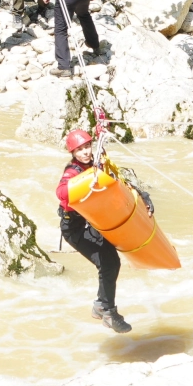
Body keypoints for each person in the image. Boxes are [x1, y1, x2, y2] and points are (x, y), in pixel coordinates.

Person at [56, 129, 131, 333]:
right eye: (79, 150)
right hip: (74, 228)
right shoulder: (72, 172)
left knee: (112, 261)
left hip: (91, 223)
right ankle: (107, 312)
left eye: (87, 147)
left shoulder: (94, 160)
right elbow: (61, 192)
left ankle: (101, 306)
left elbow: (104, 158)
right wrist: (85, 183)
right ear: (72, 153)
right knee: (108, 262)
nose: (85, 152)